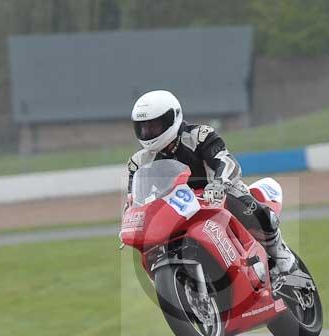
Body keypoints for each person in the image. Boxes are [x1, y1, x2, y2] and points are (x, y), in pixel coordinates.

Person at [126, 90, 296, 275]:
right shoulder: (139, 162)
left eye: (154, 126)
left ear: (173, 118)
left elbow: (226, 160)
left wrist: (220, 184)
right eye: (143, 127)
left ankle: (278, 250)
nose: (148, 132)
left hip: (215, 194)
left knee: (243, 203)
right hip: (177, 209)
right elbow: (135, 198)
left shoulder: (199, 135)